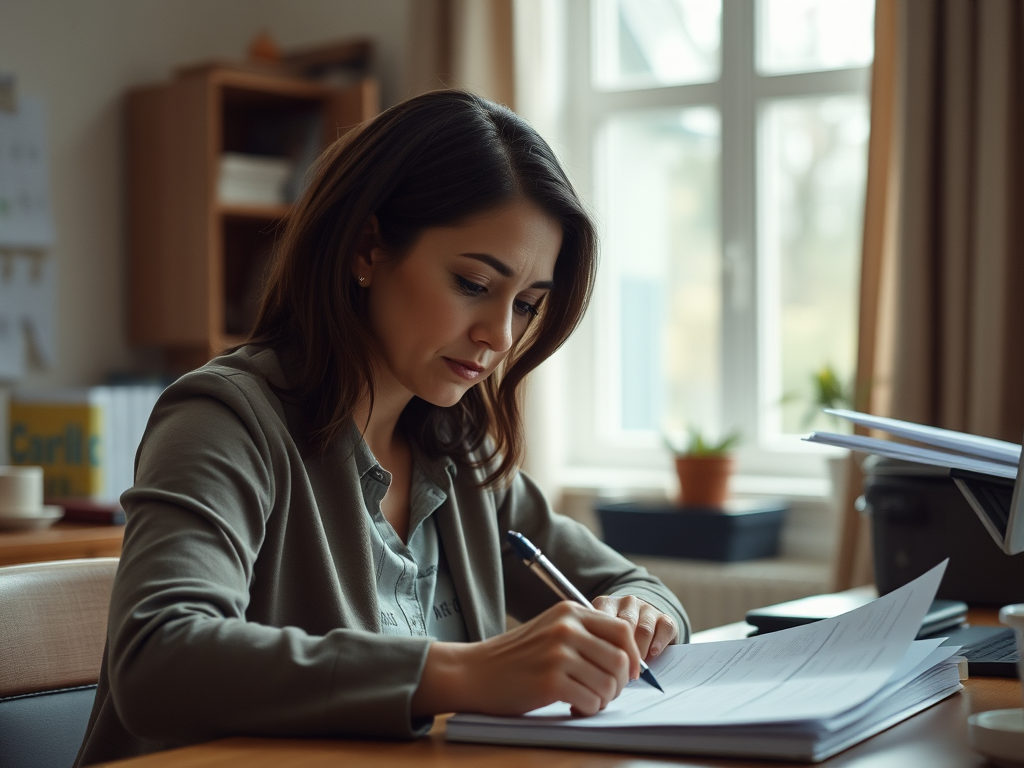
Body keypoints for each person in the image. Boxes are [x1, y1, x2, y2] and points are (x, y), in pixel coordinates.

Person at [75, 90, 689, 766]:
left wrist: (640, 613)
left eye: (527, 304)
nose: (500, 335)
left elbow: (635, 587)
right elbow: (158, 656)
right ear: (368, 248)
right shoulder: (224, 419)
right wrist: (461, 672)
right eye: (472, 283)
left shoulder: (460, 454)